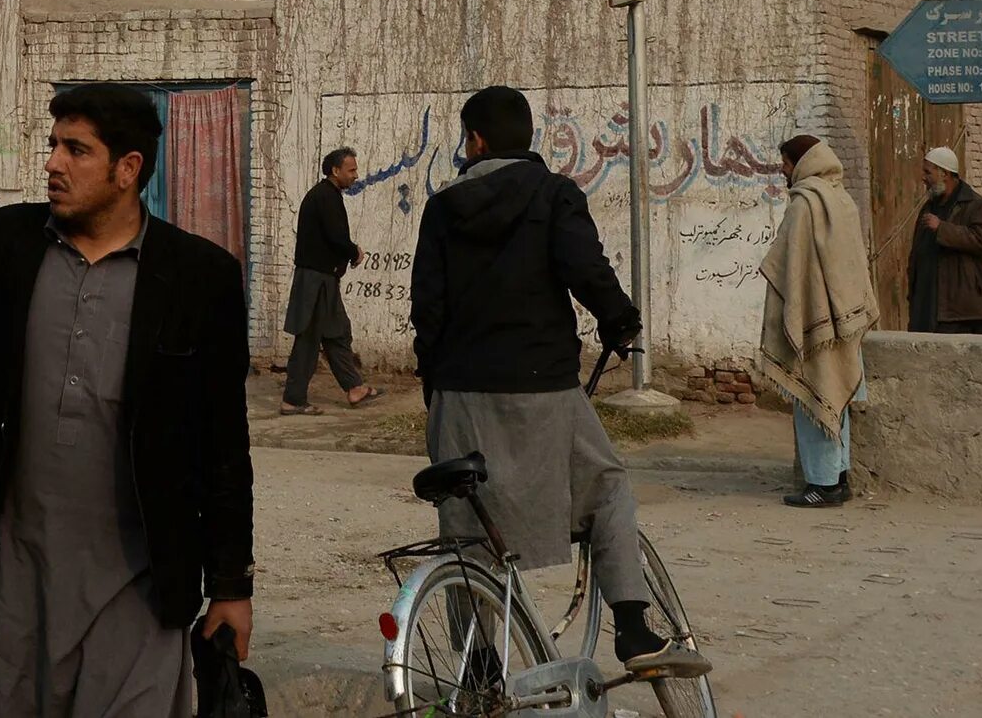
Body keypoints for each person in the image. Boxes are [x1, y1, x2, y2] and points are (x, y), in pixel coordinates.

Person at [0, 83, 254, 717]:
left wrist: (231, 584)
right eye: (53, 145)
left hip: (140, 579)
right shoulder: (6, 245)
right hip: (15, 569)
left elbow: (223, 444)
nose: (53, 162)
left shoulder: (200, 277)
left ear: (127, 169)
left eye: (76, 150)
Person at [411, 85, 696, 676]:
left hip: (461, 391)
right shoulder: (554, 194)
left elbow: (427, 309)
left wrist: (435, 391)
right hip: (542, 384)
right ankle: (636, 630)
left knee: (466, 533)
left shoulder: (442, 208)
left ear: (476, 140)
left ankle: (480, 667)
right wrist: (619, 321)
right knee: (608, 485)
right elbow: (585, 269)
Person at [757, 133, 877, 509]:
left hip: (815, 322)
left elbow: (788, 265)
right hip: (844, 322)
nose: (783, 171)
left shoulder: (804, 205)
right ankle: (838, 479)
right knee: (836, 404)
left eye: (787, 164)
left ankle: (821, 485)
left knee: (816, 399)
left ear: (802, 163)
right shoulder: (842, 200)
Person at [281, 146, 379, 414]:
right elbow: (336, 237)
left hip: (324, 279)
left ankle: (354, 387)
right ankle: (293, 399)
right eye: (351, 170)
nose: (355, 175)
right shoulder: (325, 197)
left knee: (336, 334)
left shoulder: (328, 195)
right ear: (335, 171)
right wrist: (354, 251)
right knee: (309, 338)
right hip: (315, 280)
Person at [906, 145, 982, 336]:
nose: (924, 178)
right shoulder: (929, 207)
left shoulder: (975, 205)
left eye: (928, 172)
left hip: (964, 314)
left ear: (944, 173)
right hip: (929, 309)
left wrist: (943, 228)